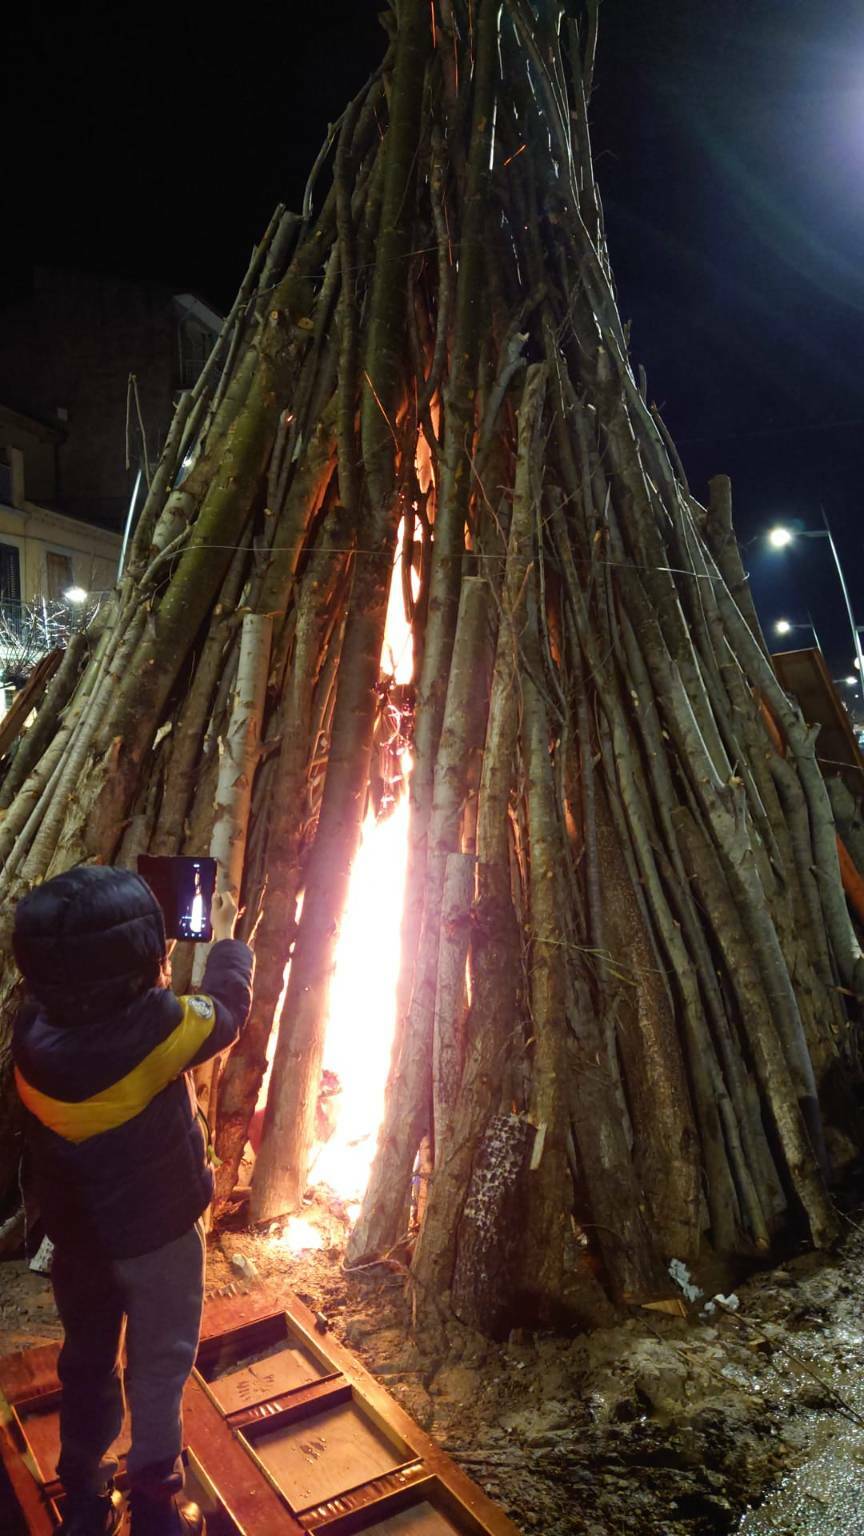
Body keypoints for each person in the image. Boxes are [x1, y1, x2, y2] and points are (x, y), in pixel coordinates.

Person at [12, 864, 254, 1536]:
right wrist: (230, 945)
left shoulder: (32, 1034)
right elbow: (225, 1011)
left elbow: (98, 1008)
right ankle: (154, 1501)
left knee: (87, 1361)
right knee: (159, 1361)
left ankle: (86, 1499)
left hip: (79, 1241)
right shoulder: (161, 1026)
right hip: (160, 1236)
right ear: (147, 964)